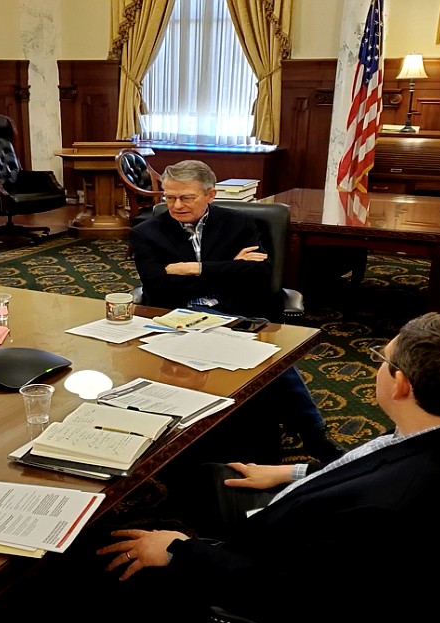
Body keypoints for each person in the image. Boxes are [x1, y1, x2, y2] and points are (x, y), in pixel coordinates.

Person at [86, 313, 440, 623]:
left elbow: (294, 599)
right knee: (206, 473)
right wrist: (293, 473)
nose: (377, 367)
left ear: (400, 384)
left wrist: (180, 551)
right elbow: (382, 461)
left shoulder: (388, 510)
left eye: (382, 360)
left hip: (286, 573)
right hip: (331, 521)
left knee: (101, 575)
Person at [130, 160, 340, 464]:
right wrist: (230, 269)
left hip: (237, 313)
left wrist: (193, 269)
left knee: (273, 363)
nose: (176, 205)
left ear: (210, 195)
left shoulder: (238, 223)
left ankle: (314, 434)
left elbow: (259, 276)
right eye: (169, 197)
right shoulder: (146, 232)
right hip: (176, 317)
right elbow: (159, 287)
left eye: (186, 197)